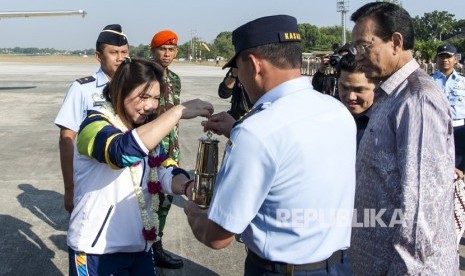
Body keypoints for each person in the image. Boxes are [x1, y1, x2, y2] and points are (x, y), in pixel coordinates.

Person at [185, 15, 356, 275]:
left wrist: (193, 212)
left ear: (254, 64)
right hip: (340, 264)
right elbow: (297, 156)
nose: (239, 79)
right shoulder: (337, 110)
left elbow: (218, 237)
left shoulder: (256, 132)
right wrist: (237, 130)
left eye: (238, 70)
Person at [67, 57, 213, 276]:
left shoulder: (146, 130)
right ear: (120, 91)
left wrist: (188, 187)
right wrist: (175, 113)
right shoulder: (93, 125)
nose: (150, 106)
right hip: (97, 250)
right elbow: (120, 153)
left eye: (155, 98)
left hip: (140, 248)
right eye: (143, 96)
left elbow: (163, 170)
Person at [349, 2, 458, 275]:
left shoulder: (417, 100)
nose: (358, 56)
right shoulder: (391, 95)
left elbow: (422, 215)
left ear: (395, 42)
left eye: (364, 46)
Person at [54, 24, 129, 214]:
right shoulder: (82, 89)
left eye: (124, 52)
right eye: (113, 52)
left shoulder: (133, 88)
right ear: (98, 56)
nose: (120, 58)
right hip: (92, 182)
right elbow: (66, 139)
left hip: (126, 182)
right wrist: (69, 188)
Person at [148, 29, 184, 269]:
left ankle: (156, 245)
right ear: (153, 51)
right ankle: (146, 249)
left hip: (171, 151)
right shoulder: (144, 75)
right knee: (146, 201)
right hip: (150, 150)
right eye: (163, 49)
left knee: (165, 201)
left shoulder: (175, 79)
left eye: (171, 49)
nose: (167, 53)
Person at [432, 44, 465, 178]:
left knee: (460, 171)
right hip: (435, 129)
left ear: (456, 60)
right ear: (436, 59)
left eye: (448, 57)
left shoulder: (463, 82)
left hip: (460, 130)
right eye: (441, 57)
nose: (445, 60)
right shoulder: (427, 81)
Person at [336, 53, 376, 147]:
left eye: (359, 90)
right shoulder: (327, 113)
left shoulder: (386, 122)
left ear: (376, 85)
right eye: (344, 88)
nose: (351, 97)